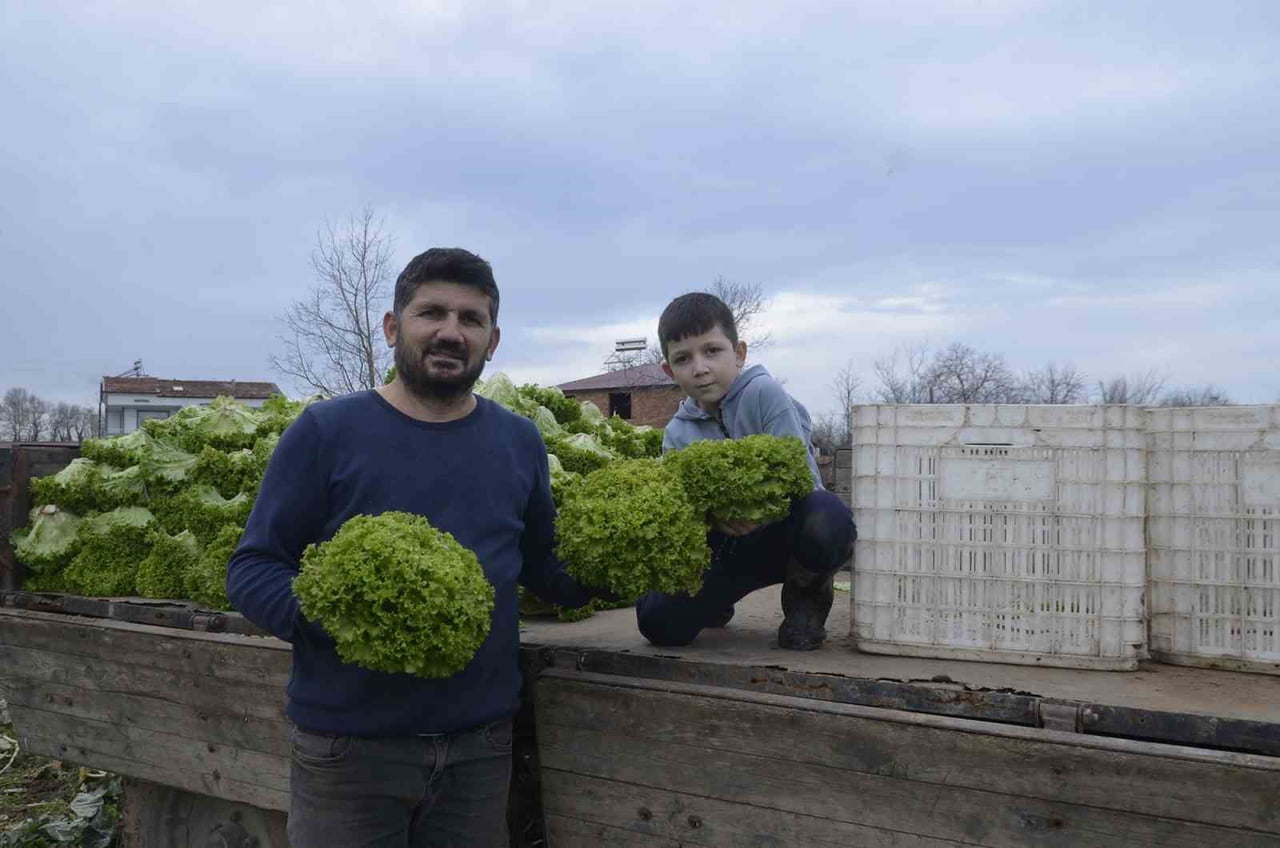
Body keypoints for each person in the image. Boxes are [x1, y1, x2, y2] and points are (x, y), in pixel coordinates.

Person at [226, 248, 598, 847]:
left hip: (480, 748)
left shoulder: (518, 441)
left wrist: (617, 565)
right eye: (432, 313)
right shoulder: (327, 431)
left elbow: (544, 567)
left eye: (471, 319)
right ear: (394, 326)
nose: (451, 332)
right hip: (349, 750)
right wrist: (341, 616)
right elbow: (253, 568)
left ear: (492, 340)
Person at [635, 292, 856, 651]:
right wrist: (716, 517)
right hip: (730, 546)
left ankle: (806, 595)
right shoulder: (677, 432)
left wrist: (755, 507)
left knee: (827, 517)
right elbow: (685, 513)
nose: (700, 368)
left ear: (738, 353)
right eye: (682, 359)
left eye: (712, 351)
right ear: (668, 371)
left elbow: (802, 480)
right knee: (658, 622)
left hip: (785, 537)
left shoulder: (764, 394)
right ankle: (716, 603)